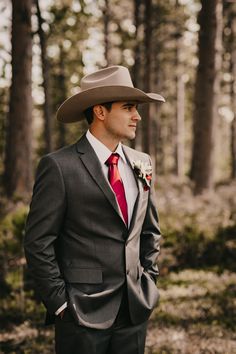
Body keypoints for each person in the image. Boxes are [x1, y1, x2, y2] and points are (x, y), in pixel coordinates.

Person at [24, 65, 165, 354]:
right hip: (80, 313)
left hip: (134, 309)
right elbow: (38, 242)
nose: (137, 116)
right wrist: (60, 303)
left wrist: (148, 281)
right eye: (128, 107)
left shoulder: (143, 162)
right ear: (100, 112)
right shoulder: (59, 167)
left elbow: (149, 231)